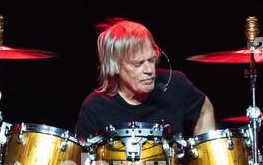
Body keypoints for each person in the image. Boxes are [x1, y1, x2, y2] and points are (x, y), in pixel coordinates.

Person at [75, 19, 215, 140]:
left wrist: (204, 155)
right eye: (138, 64)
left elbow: (204, 108)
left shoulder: (176, 84)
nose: (149, 70)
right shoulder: (94, 109)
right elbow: (84, 162)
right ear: (114, 66)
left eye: (151, 60)